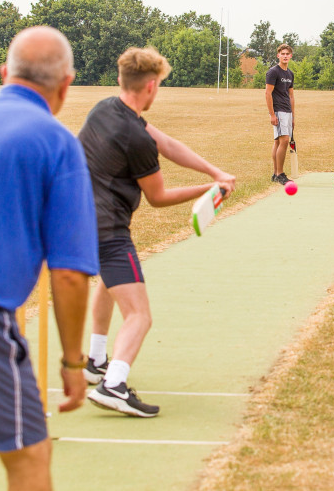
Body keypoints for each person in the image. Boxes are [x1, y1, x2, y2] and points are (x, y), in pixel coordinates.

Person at [0, 26, 99, 491]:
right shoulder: (57, 142)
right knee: (29, 455)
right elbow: (69, 275)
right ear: (66, 84)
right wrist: (73, 363)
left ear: (4, 73)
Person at [79, 46, 235, 417]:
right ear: (151, 86)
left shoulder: (105, 109)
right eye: (160, 85)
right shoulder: (135, 137)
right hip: (108, 229)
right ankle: (113, 383)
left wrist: (215, 172)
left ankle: (95, 360)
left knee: (109, 283)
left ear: (121, 79)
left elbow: (167, 144)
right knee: (140, 315)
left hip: (78, 222)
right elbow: (159, 197)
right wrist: (212, 190)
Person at [265, 43, 295, 185]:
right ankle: (280, 174)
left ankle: (276, 174)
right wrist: (272, 114)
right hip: (278, 110)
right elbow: (267, 93)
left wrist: (293, 116)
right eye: (282, 54)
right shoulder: (273, 72)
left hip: (287, 111)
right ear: (278, 55)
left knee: (278, 141)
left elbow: (291, 96)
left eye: (287, 54)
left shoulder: (290, 74)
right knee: (283, 141)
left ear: (290, 56)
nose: (285, 56)